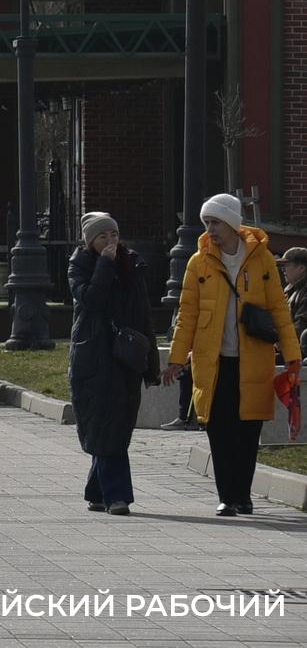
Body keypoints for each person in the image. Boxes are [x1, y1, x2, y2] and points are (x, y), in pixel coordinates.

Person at [164, 193, 303, 516]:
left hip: (253, 359)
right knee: (219, 429)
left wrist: (291, 354)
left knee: (247, 430)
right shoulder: (198, 262)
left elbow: (279, 310)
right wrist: (176, 358)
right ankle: (227, 496)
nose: (210, 229)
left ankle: (243, 495)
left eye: (215, 222)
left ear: (231, 223)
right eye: (206, 223)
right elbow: (187, 315)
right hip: (213, 362)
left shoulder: (262, 259)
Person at [67, 212, 159, 515]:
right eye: (103, 237)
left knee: (116, 424)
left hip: (126, 355)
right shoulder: (79, 266)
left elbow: (143, 313)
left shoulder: (132, 264)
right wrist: (105, 264)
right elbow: (92, 299)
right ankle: (117, 497)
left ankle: (97, 492)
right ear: (90, 241)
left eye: (114, 235)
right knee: (105, 424)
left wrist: (151, 364)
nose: (111, 241)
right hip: (93, 356)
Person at [282, 246, 307, 353]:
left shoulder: (304, 292)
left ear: (301, 268)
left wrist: (277, 340)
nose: (283, 270)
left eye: (286, 265)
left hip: (298, 352)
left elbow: (300, 326)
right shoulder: (291, 290)